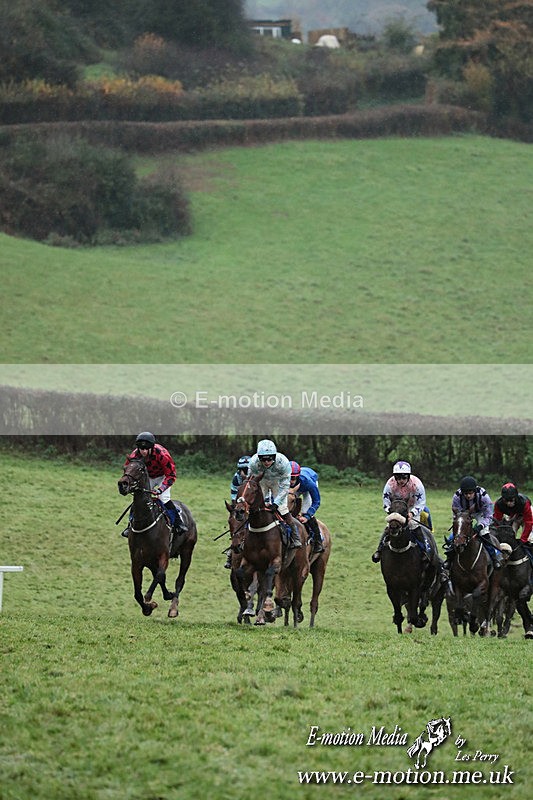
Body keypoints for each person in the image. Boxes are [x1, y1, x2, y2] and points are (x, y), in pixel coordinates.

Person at [122, 431, 187, 537]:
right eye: (141, 449)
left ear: (151, 447)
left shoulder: (162, 454)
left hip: (163, 476)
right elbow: (128, 469)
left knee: (163, 498)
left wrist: (160, 489)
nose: (143, 452)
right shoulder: (135, 454)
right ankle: (130, 526)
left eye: (146, 449)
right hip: (148, 477)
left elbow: (171, 475)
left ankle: (178, 523)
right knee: (138, 498)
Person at [248, 439, 302, 548]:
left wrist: (276, 503)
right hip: (261, 481)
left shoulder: (283, 463)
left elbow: (285, 486)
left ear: (275, 456)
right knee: (252, 506)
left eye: (270, 458)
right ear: (258, 457)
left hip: (277, 482)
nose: (267, 462)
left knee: (282, 508)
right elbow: (251, 482)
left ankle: (295, 537)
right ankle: (241, 535)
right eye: (263, 459)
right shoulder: (253, 463)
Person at [372, 460, 429, 563]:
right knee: (388, 527)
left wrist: (412, 513)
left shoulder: (417, 484)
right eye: (398, 477)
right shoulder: (390, 484)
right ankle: (379, 550)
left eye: (404, 477)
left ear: (408, 476)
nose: (401, 480)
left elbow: (421, 502)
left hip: (412, 507)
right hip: (396, 509)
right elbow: (386, 501)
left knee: (414, 526)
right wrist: (390, 512)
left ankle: (425, 550)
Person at [444, 476, 504, 570]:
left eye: (470, 493)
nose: (468, 496)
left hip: (481, 513)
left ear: (475, 491)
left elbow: (489, 515)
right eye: (466, 493)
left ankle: (494, 558)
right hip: (464, 513)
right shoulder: (456, 496)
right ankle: (449, 559)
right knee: (454, 536)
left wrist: (480, 526)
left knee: (484, 533)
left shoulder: (484, 496)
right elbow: (456, 516)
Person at [289, 461, 324, 553]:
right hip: (295, 489)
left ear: (297, 477)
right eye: (288, 478)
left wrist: (307, 516)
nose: (290, 481)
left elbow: (316, 501)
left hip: (307, 487)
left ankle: (318, 541)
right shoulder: (283, 481)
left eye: (293, 478)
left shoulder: (308, 482)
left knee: (305, 510)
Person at [493, 482, 533, 560]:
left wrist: (523, 539)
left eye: (511, 500)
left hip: (528, 516)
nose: (509, 503)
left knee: (530, 540)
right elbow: (498, 522)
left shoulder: (524, 502)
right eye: (506, 500)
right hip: (513, 516)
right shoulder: (498, 504)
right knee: (509, 537)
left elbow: (529, 522)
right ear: (503, 498)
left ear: (516, 497)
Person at [224, 455, 251, 568]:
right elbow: (234, 498)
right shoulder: (237, 478)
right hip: (241, 504)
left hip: (254, 503)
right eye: (240, 470)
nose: (241, 473)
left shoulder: (257, 477)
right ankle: (232, 550)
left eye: (244, 470)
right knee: (235, 521)